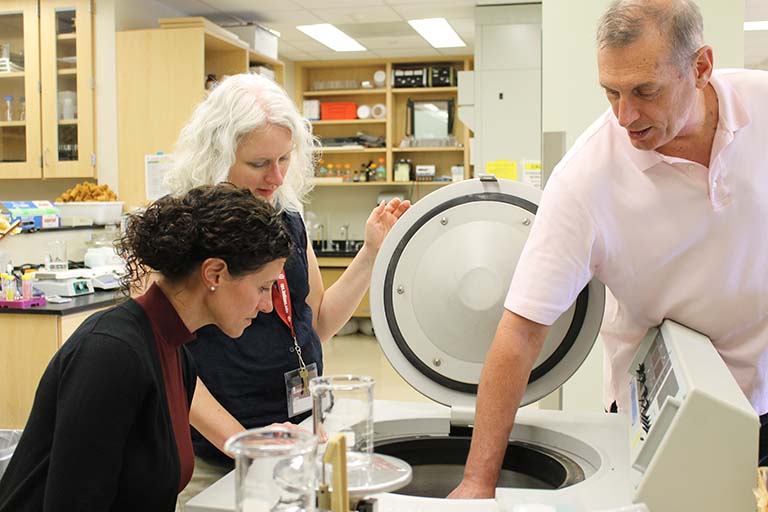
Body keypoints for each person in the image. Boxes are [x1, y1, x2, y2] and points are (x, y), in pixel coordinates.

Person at [449, 0, 768, 499]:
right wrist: (476, 482)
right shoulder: (585, 180)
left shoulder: (762, 106)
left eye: (645, 91)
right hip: (660, 413)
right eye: (611, 92)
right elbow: (521, 331)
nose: (625, 115)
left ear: (700, 67)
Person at [164, 73, 411, 503]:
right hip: (219, 458)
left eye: (284, 160)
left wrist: (370, 254)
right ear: (217, 157)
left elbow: (315, 322)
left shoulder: (287, 218)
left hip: (299, 441)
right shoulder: (183, 234)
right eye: (259, 164)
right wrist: (246, 446)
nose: (276, 177)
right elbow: (167, 367)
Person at [0, 184, 292, 511]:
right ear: (215, 273)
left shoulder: (174, 351)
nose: (267, 305)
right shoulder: (112, 354)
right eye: (263, 287)